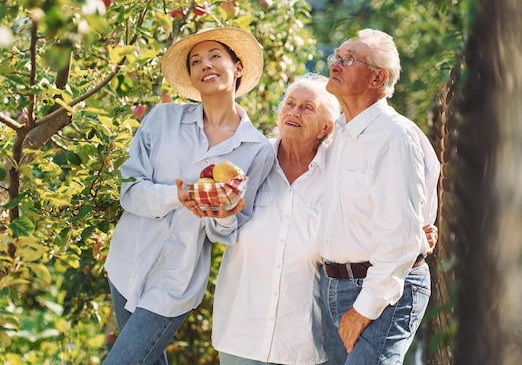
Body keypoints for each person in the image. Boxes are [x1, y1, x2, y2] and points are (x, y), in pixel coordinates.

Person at [209, 74, 439, 365]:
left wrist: (417, 233)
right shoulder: (250, 160)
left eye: (307, 107)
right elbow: (221, 229)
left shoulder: (339, 173)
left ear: (326, 127)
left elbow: (371, 221)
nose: (294, 111)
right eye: (290, 104)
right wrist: (221, 213)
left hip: (302, 342)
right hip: (241, 334)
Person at [102, 27, 275, 365]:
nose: (205, 65)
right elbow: (129, 191)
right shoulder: (162, 120)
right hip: (127, 263)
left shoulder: (257, 150)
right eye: (196, 61)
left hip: (176, 282)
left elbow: (229, 231)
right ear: (192, 77)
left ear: (237, 67)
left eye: (215, 56)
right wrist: (176, 197)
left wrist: (224, 211)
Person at [317, 28, 441, 365]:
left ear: (378, 78)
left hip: (383, 290)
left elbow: (400, 241)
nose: (335, 65)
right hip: (337, 286)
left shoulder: (393, 137)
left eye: (349, 59)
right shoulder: (339, 133)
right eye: (336, 57)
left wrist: (362, 310)